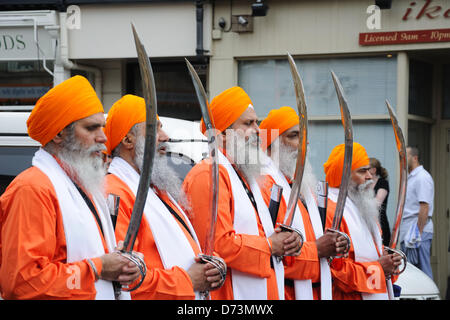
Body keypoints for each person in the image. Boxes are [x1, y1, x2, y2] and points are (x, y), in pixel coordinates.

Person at [0, 76, 142, 300]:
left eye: (102, 127)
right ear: (58, 133)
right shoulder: (32, 189)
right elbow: (23, 283)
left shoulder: (82, 185)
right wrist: (98, 268)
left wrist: (119, 262)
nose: (103, 138)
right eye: (91, 128)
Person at [183, 87, 302, 300]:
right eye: (248, 124)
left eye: (256, 122)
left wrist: (284, 241)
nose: (258, 130)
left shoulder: (241, 173)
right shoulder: (208, 174)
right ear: (224, 135)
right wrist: (270, 245)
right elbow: (217, 246)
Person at [103, 94, 225, 300]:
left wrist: (213, 266)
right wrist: (188, 280)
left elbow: (189, 247)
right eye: (154, 128)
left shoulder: (157, 190)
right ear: (127, 140)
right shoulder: (114, 192)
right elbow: (124, 280)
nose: (165, 136)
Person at [258, 106, 348, 300]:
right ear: (271, 144)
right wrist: (317, 250)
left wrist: (333, 245)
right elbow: (267, 254)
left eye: (304, 137)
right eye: (294, 136)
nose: (302, 144)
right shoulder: (264, 187)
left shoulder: (305, 190)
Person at [324, 142, 402, 300]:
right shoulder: (332, 211)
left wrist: (389, 261)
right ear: (343, 175)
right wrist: (379, 268)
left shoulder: (364, 207)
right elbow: (336, 272)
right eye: (362, 171)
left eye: (369, 170)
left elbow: (376, 257)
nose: (370, 177)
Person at [400, 146, 434, 279]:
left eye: (406, 156)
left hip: (417, 232)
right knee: (410, 271)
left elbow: (424, 206)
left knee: (422, 270)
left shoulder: (422, 177)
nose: (403, 159)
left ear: (415, 158)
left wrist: (417, 234)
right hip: (408, 230)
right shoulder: (410, 177)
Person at [369, 157, 391, 247]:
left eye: (367, 169)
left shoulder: (382, 183)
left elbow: (377, 202)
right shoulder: (364, 183)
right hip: (368, 224)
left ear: (374, 170)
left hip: (380, 223)